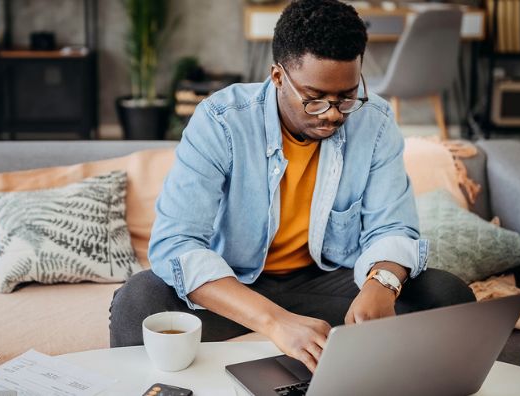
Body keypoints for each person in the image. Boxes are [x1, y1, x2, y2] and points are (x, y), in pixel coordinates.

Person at [109, 0, 475, 372]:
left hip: (326, 283)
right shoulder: (221, 122)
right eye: (315, 99)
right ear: (278, 76)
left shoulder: (375, 121)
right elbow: (177, 244)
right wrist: (275, 322)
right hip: (234, 285)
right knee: (139, 302)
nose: (333, 114)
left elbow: (392, 227)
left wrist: (381, 285)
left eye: (347, 96)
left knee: (447, 295)